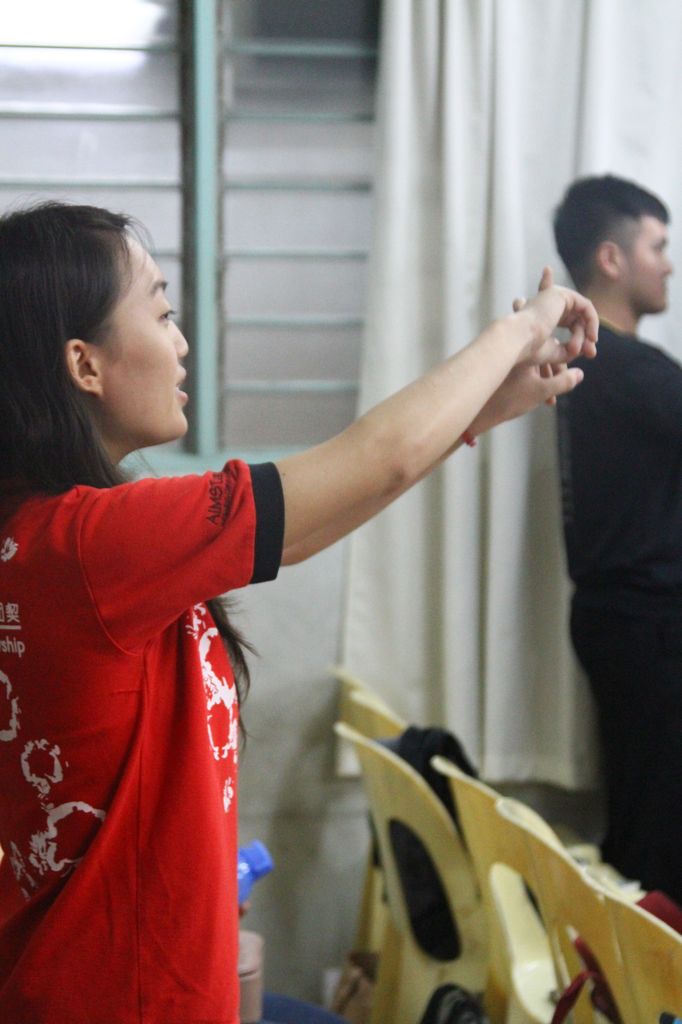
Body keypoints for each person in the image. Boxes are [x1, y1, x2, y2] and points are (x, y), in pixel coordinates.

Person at [0, 200, 597, 1024]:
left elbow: (318, 516)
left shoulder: (51, 533)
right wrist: (522, 327)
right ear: (84, 364)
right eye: (163, 314)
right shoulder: (94, 545)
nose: (181, 344)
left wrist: (482, 408)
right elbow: (375, 461)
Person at [553, 173, 681, 899]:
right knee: (659, 829)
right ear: (611, 258)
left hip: (620, 622)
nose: (669, 265)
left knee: (643, 813)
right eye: (658, 247)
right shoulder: (631, 370)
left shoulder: (583, 364)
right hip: (651, 627)